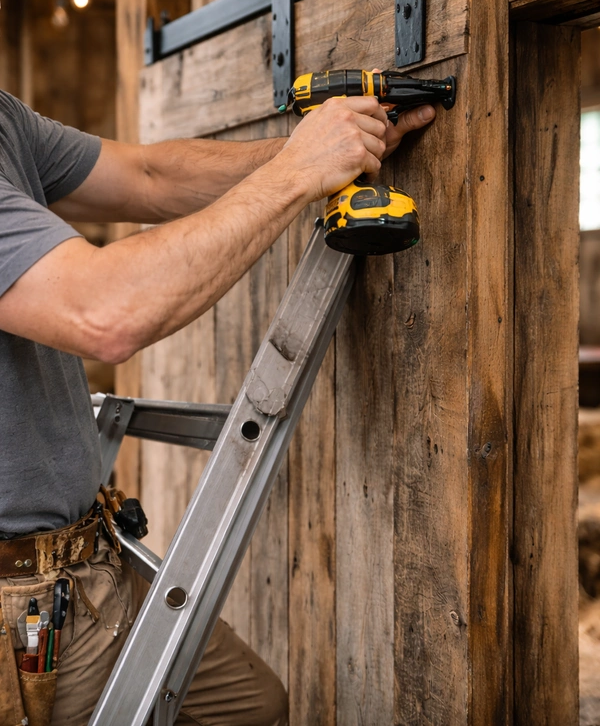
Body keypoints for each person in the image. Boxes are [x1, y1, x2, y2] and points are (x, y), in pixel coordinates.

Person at [0, 86, 435, 725]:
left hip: (88, 562)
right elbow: (104, 312)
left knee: (254, 706)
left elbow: (148, 177)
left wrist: (321, 145)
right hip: (17, 605)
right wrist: (296, 172)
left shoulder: (4, 117)